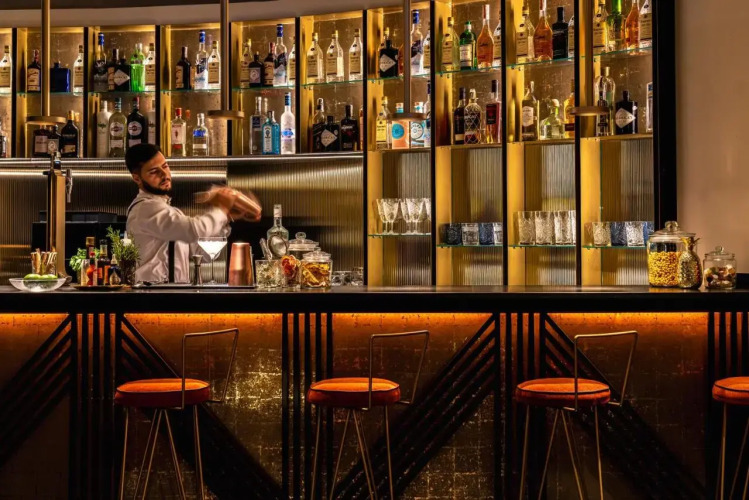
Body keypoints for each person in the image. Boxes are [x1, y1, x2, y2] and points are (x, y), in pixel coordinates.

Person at [124, 144, 257, 283]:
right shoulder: (145, 208)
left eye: (165, 166)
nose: (164, 174)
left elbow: (202, 253)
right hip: (152, 292)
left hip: (174, 291)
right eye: (154, 172)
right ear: (137, 178)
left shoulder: (169, 211)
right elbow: (194, 230)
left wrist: (226, 217)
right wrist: (222, 209)